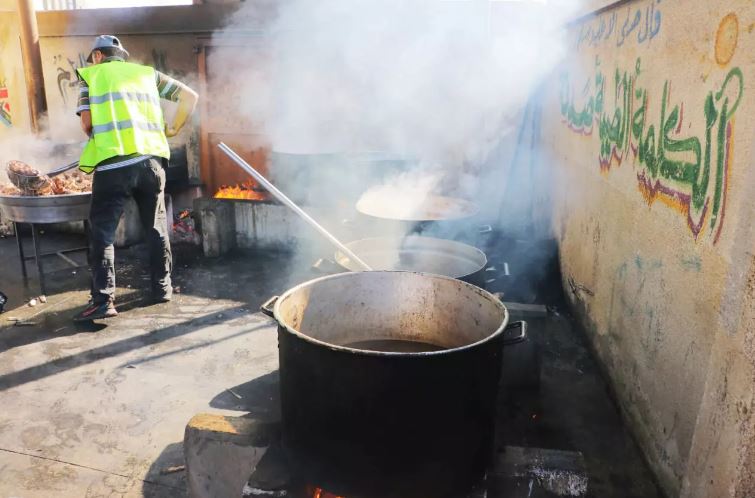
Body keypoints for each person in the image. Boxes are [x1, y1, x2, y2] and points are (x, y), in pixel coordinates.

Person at [73, 35, 198, 322]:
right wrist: (174, 128)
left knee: (102, 233)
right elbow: (190, 96)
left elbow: (87, 122)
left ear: (98, 56)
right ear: (122, 56)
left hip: (113, 166)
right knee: (156, 227)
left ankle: (103, 300)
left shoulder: (91, 77)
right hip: (152, 162)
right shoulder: (146, 74)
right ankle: (162, 288)